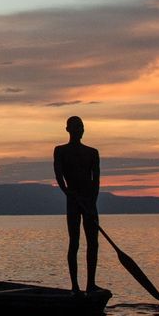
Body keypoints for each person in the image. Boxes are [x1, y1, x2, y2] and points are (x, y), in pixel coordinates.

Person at [53, 115, 101, 293]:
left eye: (81, 127)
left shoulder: (92, 153)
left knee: (93, 243)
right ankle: (75, 286)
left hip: (90, 203)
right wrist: (68, 193)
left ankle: (91, 285)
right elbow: (59, 176)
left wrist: (91, 204)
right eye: (76, 127)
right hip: (72, 201)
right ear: (68, 130)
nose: (79, 130)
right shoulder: (60, 151)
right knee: (74, 242)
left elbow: (96, 181)